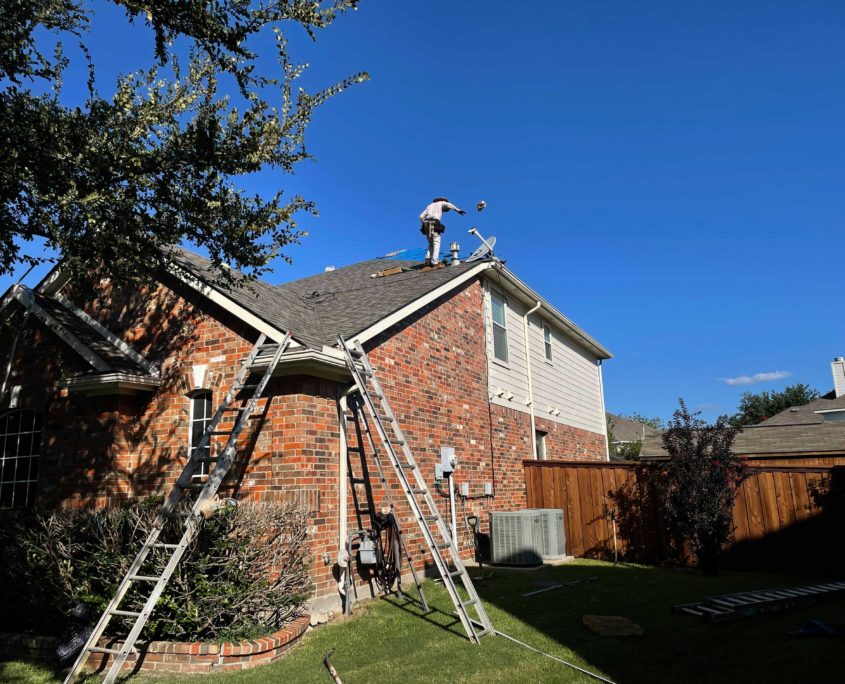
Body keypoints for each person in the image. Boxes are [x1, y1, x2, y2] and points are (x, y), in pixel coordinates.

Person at [419, 197, 466, 266]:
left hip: (426, 226)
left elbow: (420, 216)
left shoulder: (429, 206)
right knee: (436, 243)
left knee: (431, 244)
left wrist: (424, 222)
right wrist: (458, 210)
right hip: (434, 223)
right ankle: (435, 261)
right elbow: (449, 204)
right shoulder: (442, 203)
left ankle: (427, 259)